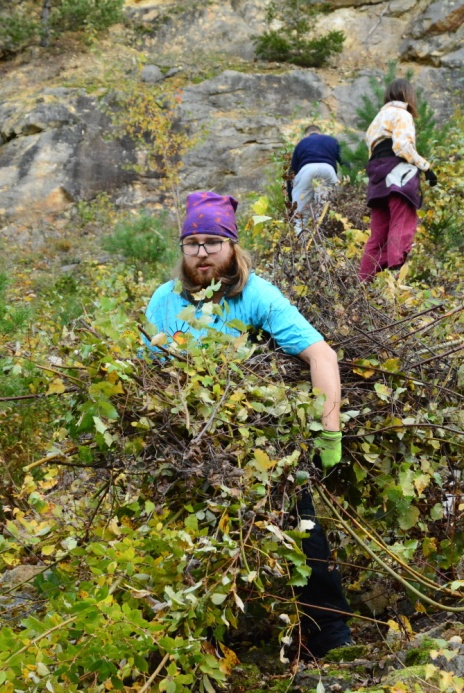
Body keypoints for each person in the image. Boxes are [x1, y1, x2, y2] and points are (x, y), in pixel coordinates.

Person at [144, 191, 353, 659]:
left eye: (212, 242)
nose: (201, 253)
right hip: (192, 447)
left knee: (300, 528)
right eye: (192, 243)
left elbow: (322, 355)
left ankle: (329, 633)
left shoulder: (256, 295)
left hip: (262, 443)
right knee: (196, 541)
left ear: (232, 246)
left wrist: (329, 431)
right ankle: (202, 646)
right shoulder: (164, 300)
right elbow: (148, 372)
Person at [359, 78, 437, 282]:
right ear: (407, 95)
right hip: (398, 174)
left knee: (377, 236)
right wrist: (425, 167)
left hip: (377, 178)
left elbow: (373, 153)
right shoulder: (402, 114)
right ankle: (396, 278)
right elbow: (401, 146)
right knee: (401, 225)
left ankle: (363, 283)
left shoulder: (376, 120)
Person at [287, 125, 342, 232]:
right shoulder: (332, 140)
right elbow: (344, 162)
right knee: (325, 211)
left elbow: (292, 172)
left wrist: (291, 198)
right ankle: (323, 235)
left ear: (306, 135)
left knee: (299, 217)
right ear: (320, 132)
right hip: (328, 169)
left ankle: (302, 240)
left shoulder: (302, 143)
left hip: (306, 170)